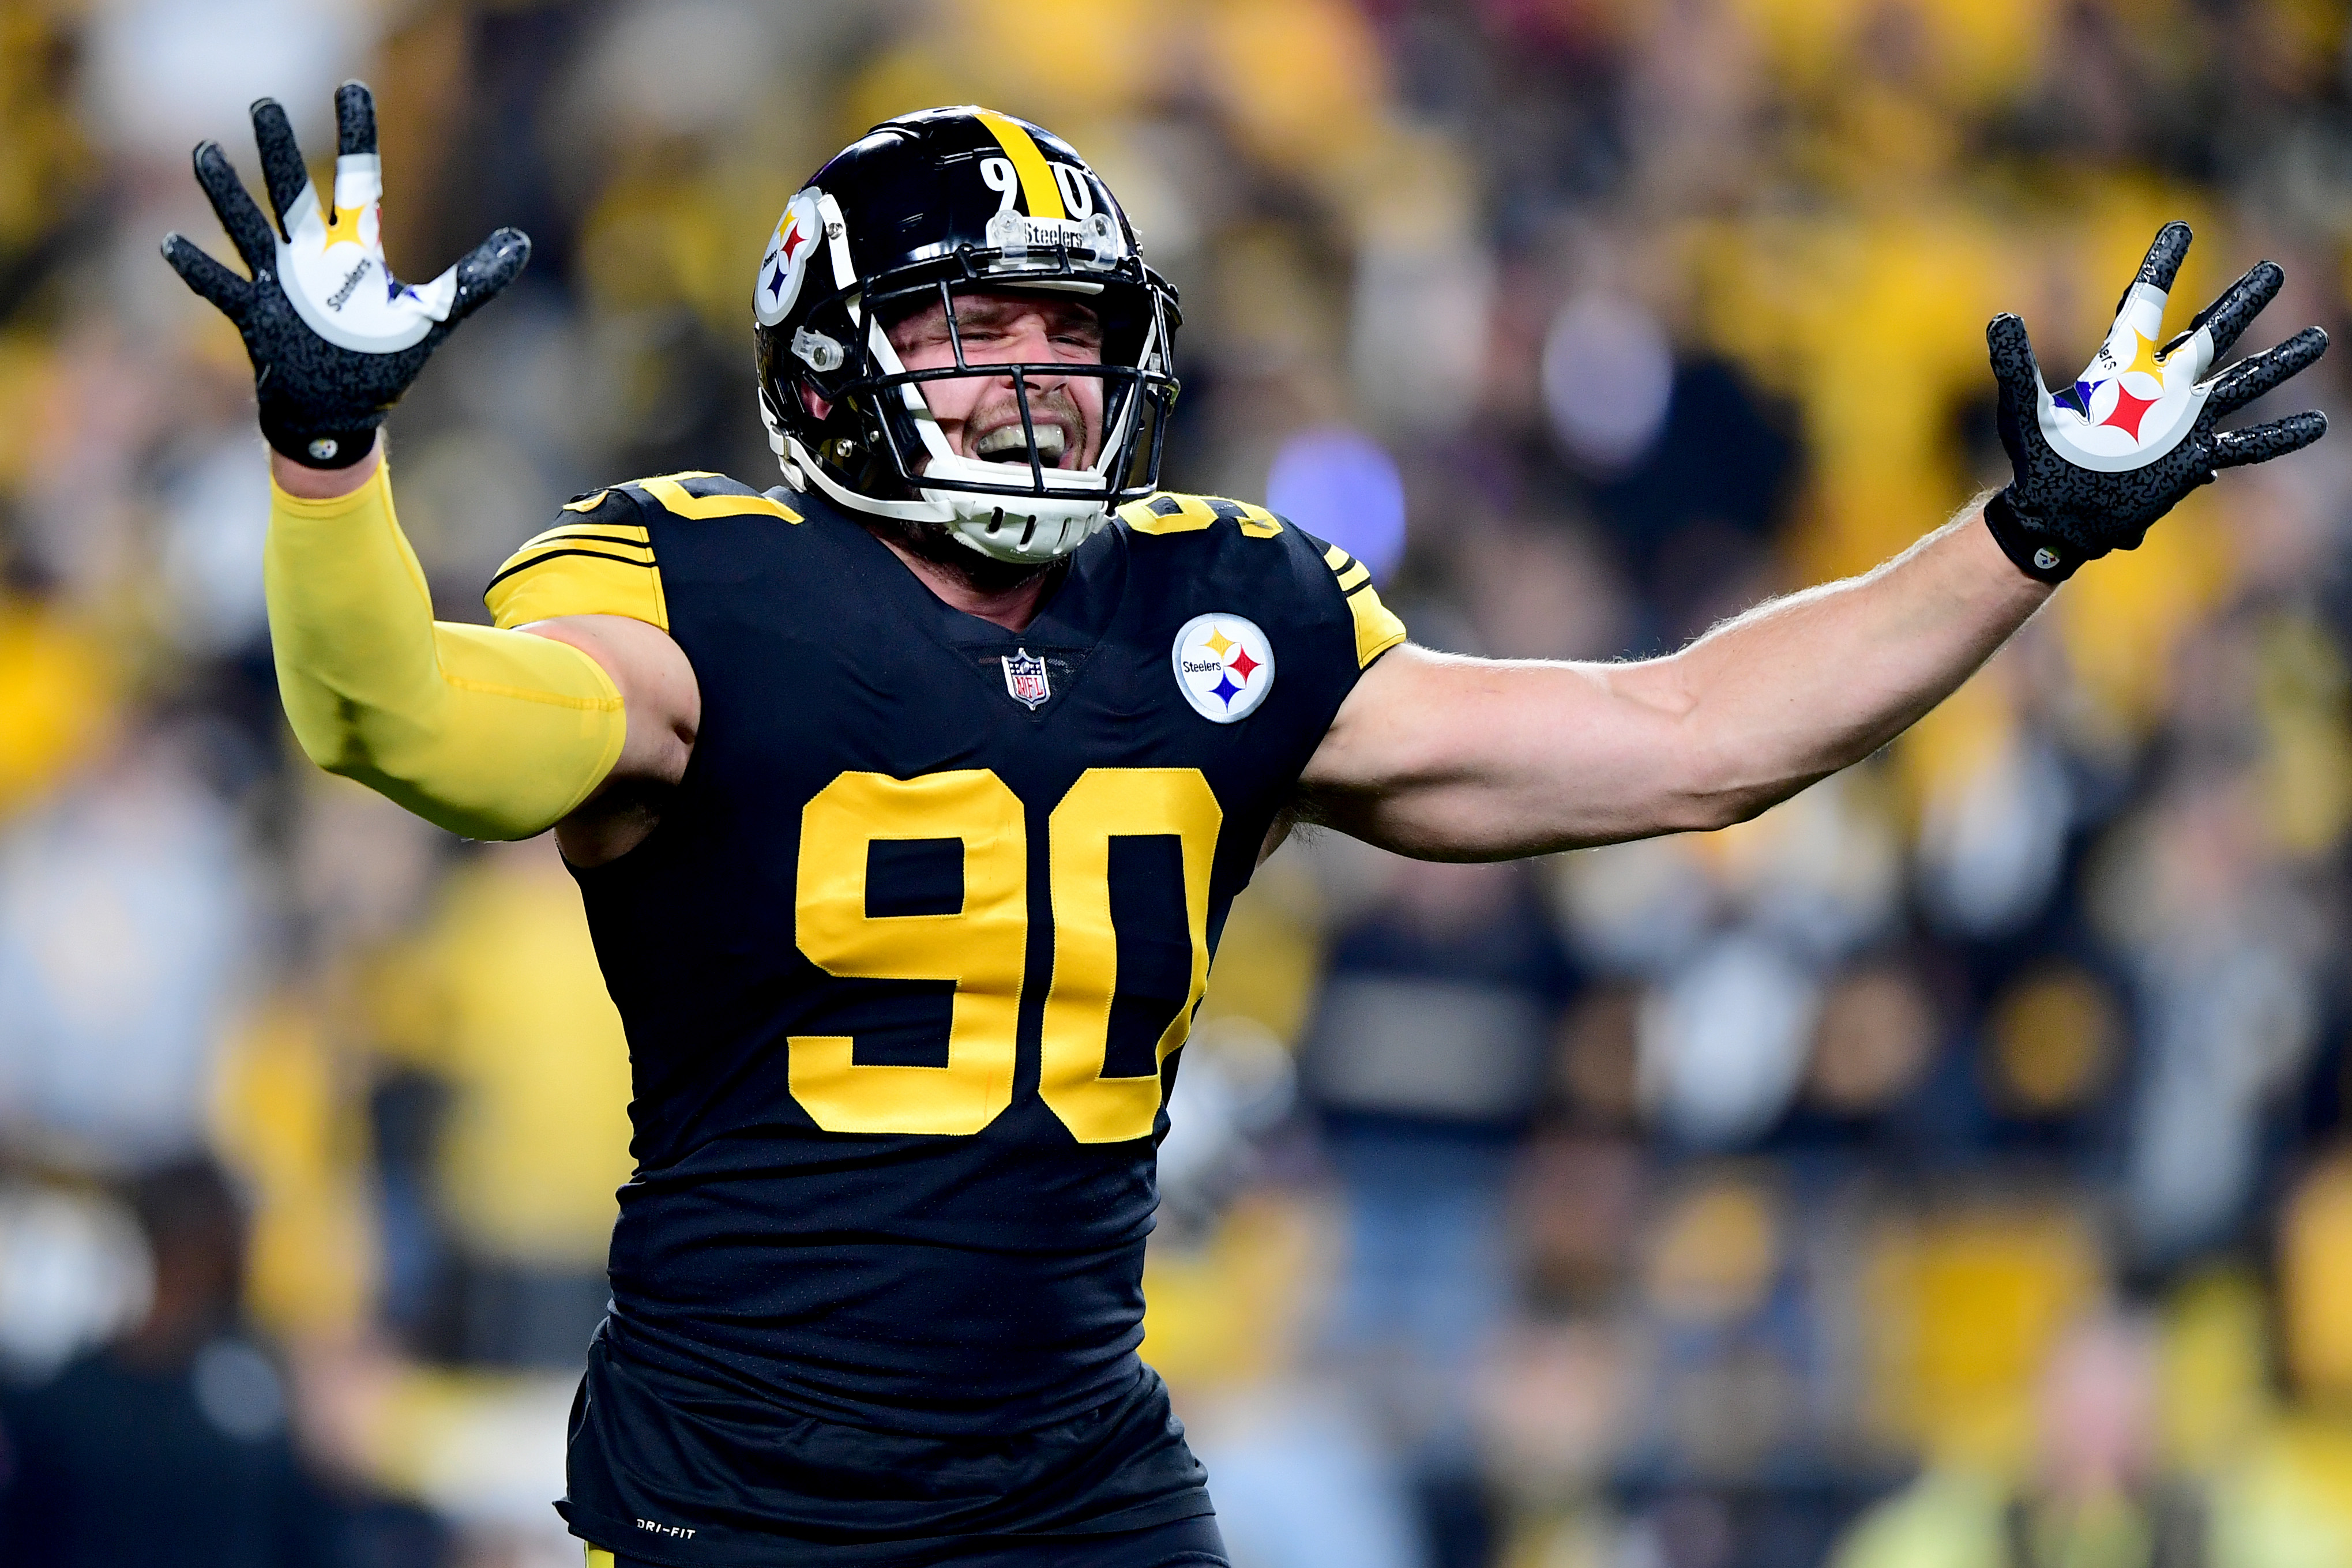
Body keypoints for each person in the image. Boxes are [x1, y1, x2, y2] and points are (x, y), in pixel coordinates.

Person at [161, 83, 2327, 1568]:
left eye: (1067, 329)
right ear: (829, 359)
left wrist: (2022, 531)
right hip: (753, 1484)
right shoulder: (687, 580)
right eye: (970, 322)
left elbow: (1686, 736)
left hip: (1074, 1472)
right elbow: (402, 722)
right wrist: (330, 462)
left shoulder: (1223, 602)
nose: (1031, 373)